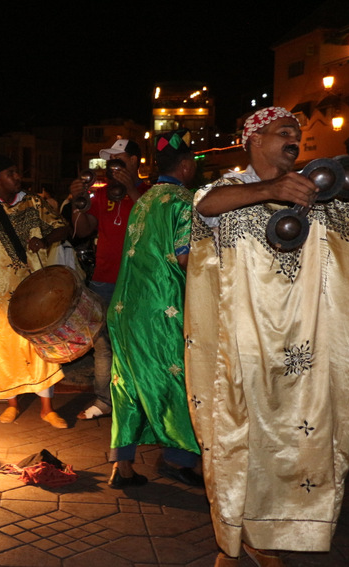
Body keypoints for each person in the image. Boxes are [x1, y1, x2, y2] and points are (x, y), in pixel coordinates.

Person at [184, 107, 349, 567]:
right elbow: (205, 206)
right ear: (254, 140)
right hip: (241, 348)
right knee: (238, 441)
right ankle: (233, 537)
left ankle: (268, 539)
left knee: (296, 446)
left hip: (307, 353)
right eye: (284, 132)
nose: (294, 140)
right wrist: (271, 190)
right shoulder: (228, 190)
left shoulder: (323, 195)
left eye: (297, 134)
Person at [106, 130, 202, 489]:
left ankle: (123, 467)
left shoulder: (144, 200)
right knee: (176, 379)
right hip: (163, 310)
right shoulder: (184, 201)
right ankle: (180, 459)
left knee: (127, 383)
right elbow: (185, 257)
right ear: (186, 166)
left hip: (126, 308)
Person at [0, 156, 70, 429]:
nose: (17, 177)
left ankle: (47, 409)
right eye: (10, 173)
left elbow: (63, 228)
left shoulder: (34, 203)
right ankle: (12, 403)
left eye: (16, 172)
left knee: (39, 345)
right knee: (3, 345)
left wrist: (45, 239)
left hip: (34, 287)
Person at [69, 139, 150, 421]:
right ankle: (104, 400)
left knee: (137, 343)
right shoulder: (102, 195)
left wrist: (131, 190)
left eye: (119, 160)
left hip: (138, 280)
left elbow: (154, 221)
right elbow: (83, 230)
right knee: (103, 345)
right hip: (104, 280)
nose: (113, 167)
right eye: (110, 162)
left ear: (135, 161)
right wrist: (78, 202)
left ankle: (139, 401)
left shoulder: (151, 193)